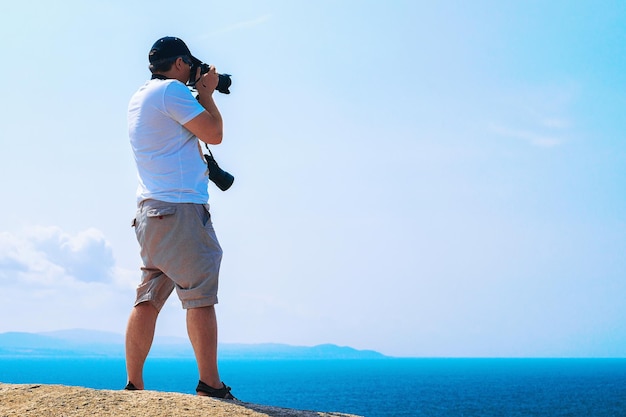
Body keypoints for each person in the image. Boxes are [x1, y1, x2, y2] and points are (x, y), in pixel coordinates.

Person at [124, 36, 235, 400]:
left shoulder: (140, 96)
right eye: (189, 64)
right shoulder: (173, 91)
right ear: (180, 63)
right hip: (181, 212)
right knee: (200, 295)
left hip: (150, 212)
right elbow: (214, 135)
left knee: (149, 296)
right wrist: (208, 94)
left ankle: (134, 384)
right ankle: (210, 385)